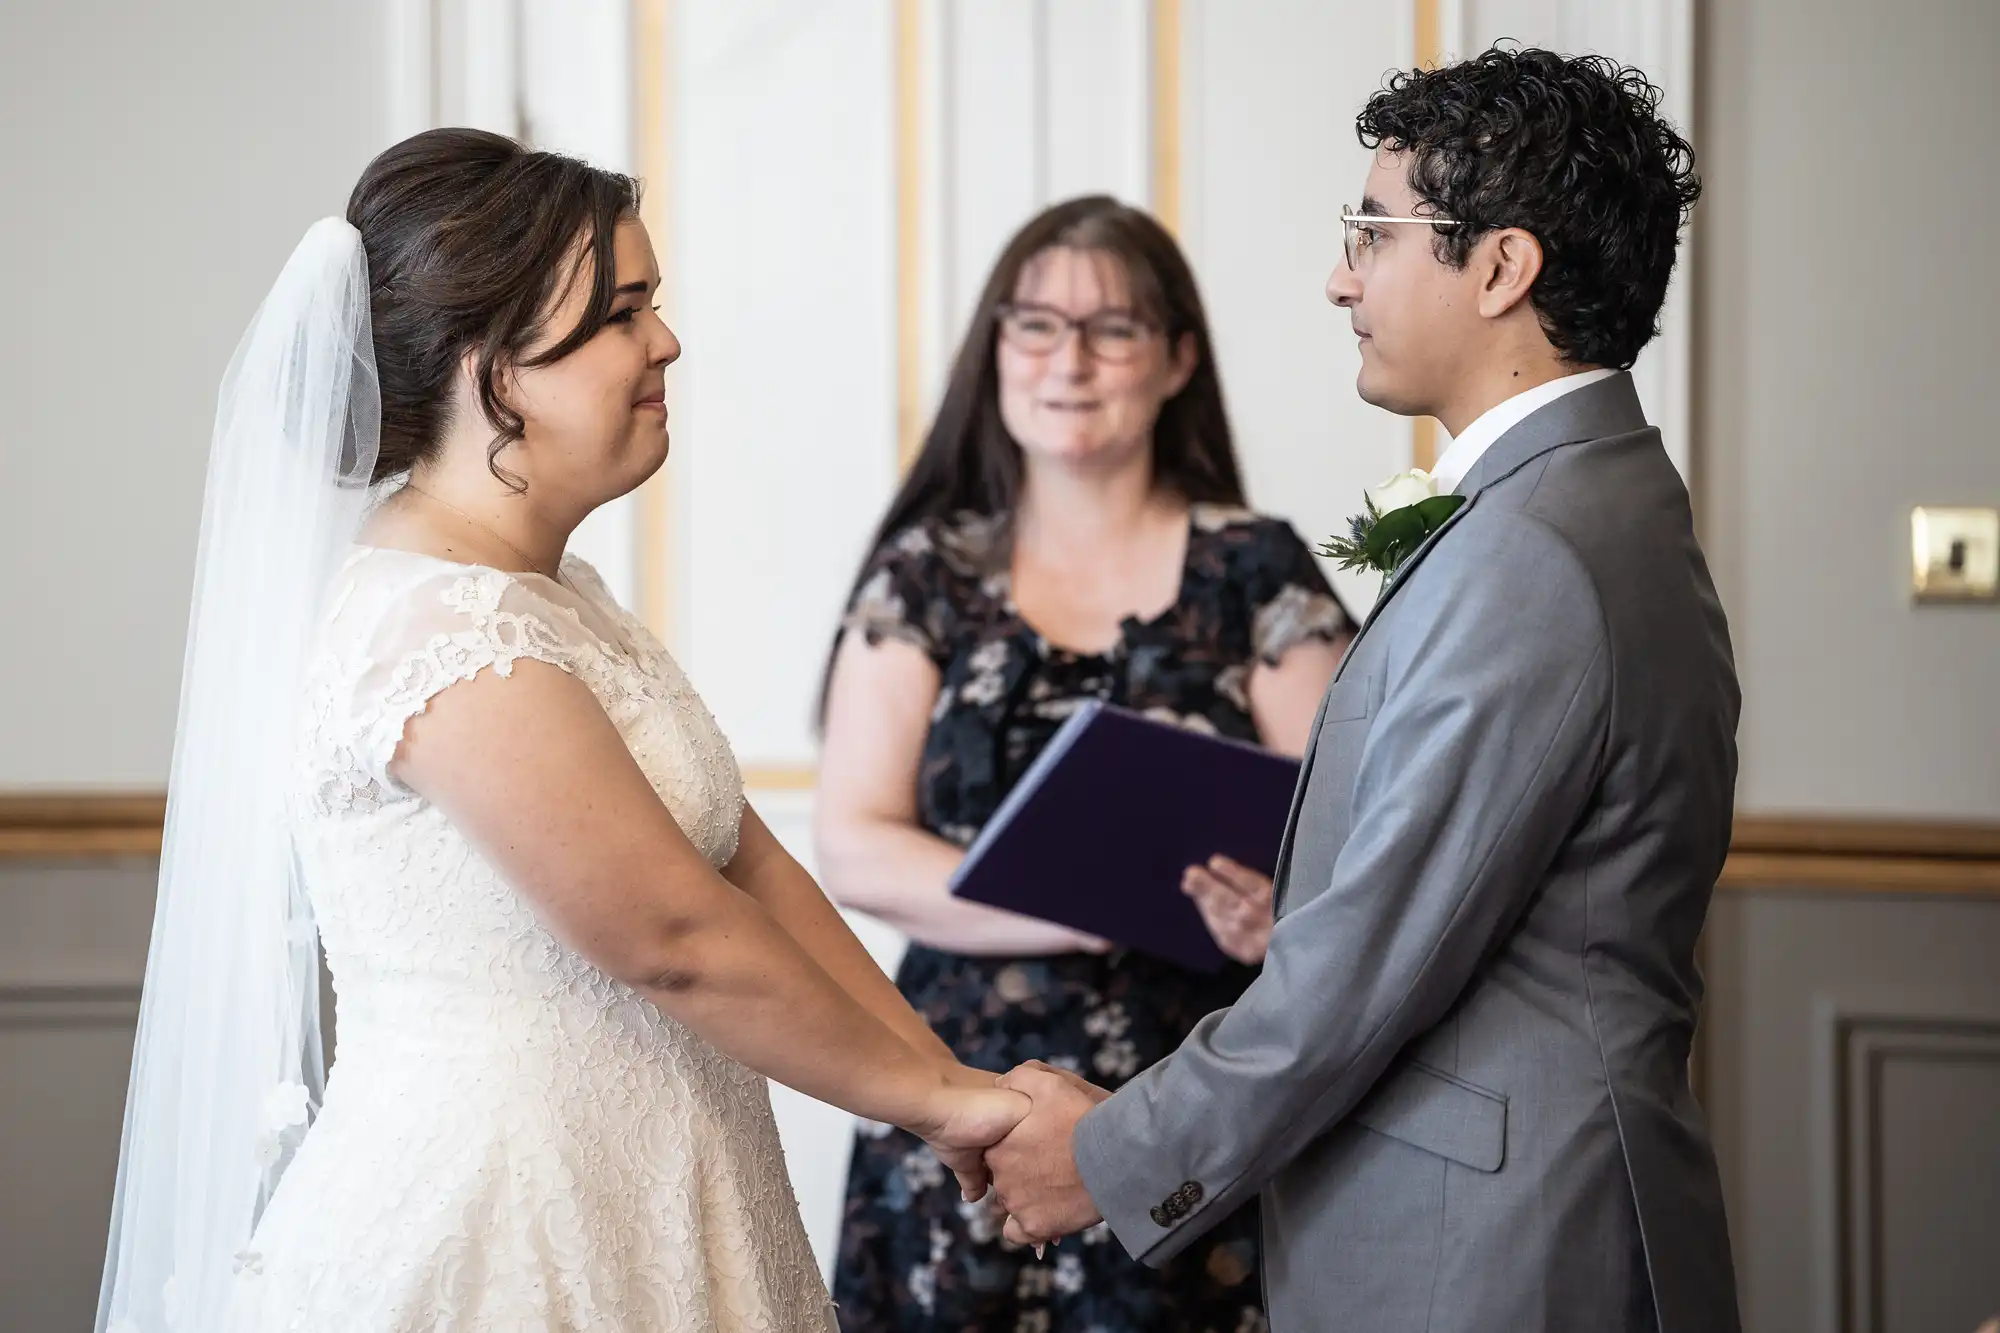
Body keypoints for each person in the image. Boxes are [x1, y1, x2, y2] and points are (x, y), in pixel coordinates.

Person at [96, 128, 1024, 1333]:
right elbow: (671, 935)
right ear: (494, 367)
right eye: (622, 312)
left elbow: (743, 865)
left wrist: (941, 1086)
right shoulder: (432, 625)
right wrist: (947, 1109)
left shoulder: (557, 594)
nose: (666, 341)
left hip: (670, 1179)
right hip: (505, 1216)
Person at [982, 47, 1743, 1333]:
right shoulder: (1589, 504)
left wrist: (1110, 1151)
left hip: (1492, 1246)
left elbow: (1369, 968)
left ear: (1499, 269)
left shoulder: (1532, 552)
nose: (1341, 274)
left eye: (1372, 231)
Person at [817, 195, 1354, 1331]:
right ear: (994, 351)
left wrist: (1287, 918)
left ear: (1175, 362)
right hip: (959, 1105)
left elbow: (1356, 834)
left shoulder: (1254, 569)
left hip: (1187, 1108)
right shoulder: (926, 573)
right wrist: (1083, 904)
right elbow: (854, 844)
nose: (1070, 360)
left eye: (1112, 329)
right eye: (1036, 326)